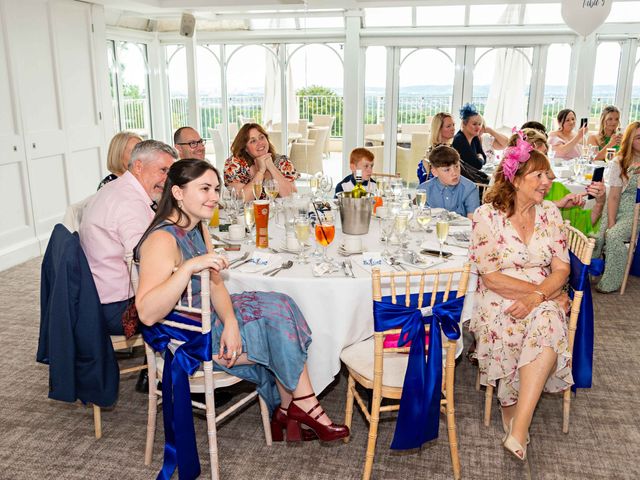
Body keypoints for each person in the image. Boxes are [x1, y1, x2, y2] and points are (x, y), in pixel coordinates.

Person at [134, 159, 349, 442]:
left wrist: (232, 322)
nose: (214, 197)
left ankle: (290, 408)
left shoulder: (197, 227)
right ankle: (301, 406)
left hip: (211, 318)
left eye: (216, 189)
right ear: (177, 193)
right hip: (189, 337)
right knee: (277, 329)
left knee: (282, 304)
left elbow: (216, 283)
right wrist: (187, 268)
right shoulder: (162, 240)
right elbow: (147, 313)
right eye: (205, 189)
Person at [469, 144, 572, 461]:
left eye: (548, 174)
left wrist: (537, 296)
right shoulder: (487, 216)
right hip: (500, 297)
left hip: (540, 295)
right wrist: (546, 293)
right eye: (539, 175)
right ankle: (510, 407)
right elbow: (490, 276)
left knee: (547, 319)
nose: (548, 180)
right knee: (532, 318)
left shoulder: (551, 214)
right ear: (515, 179)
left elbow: (562, 268)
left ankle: (518, 423)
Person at [80, 140, 177, 335]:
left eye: (170, 173)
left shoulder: (118, 188)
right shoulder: (129, 203)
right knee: (198, 307)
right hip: (118, 308)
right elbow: (146, 258)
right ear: (139, 166)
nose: (167, 180)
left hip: (98, 296)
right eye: (163, 170)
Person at [509, 129, 606, 235]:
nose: (544, 161)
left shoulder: (557, 189)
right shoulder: (506, 196)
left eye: (545, 154)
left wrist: (600, 203)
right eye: (536, 158)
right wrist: (556, 204)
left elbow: (581, 226)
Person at [592, 121, 640, 293]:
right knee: (600, 235)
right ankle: (589, 270)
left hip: (635, 211)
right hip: (617, 206)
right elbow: (613, 196)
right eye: (638, 138)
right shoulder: (619, 163)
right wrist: (611, 220)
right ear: (629, 141)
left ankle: (612, 279)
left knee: (613, 235)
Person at [224, 123, 297, 199]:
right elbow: (242, 200)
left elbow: (292, 197)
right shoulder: (235, 164)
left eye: (262, 137)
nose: (260, 143)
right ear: (245, 148)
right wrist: (261, 172)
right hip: (248, 211)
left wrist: (271, 167)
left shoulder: (282, 162)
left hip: (277, 211)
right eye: (253, 141)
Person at [416, 145, 479, 218]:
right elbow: (422, 217)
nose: (454, 173)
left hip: (461, 229)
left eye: (457, 166)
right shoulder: (424, 190)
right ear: (435, 172)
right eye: (447, 170)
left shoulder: (470, 188)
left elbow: (472, 221)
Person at [417, 112, 456, 183]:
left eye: (453, 125)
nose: (453, 128)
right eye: (448, 126)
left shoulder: (448, 147)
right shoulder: (441, 152)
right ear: (439, 129)